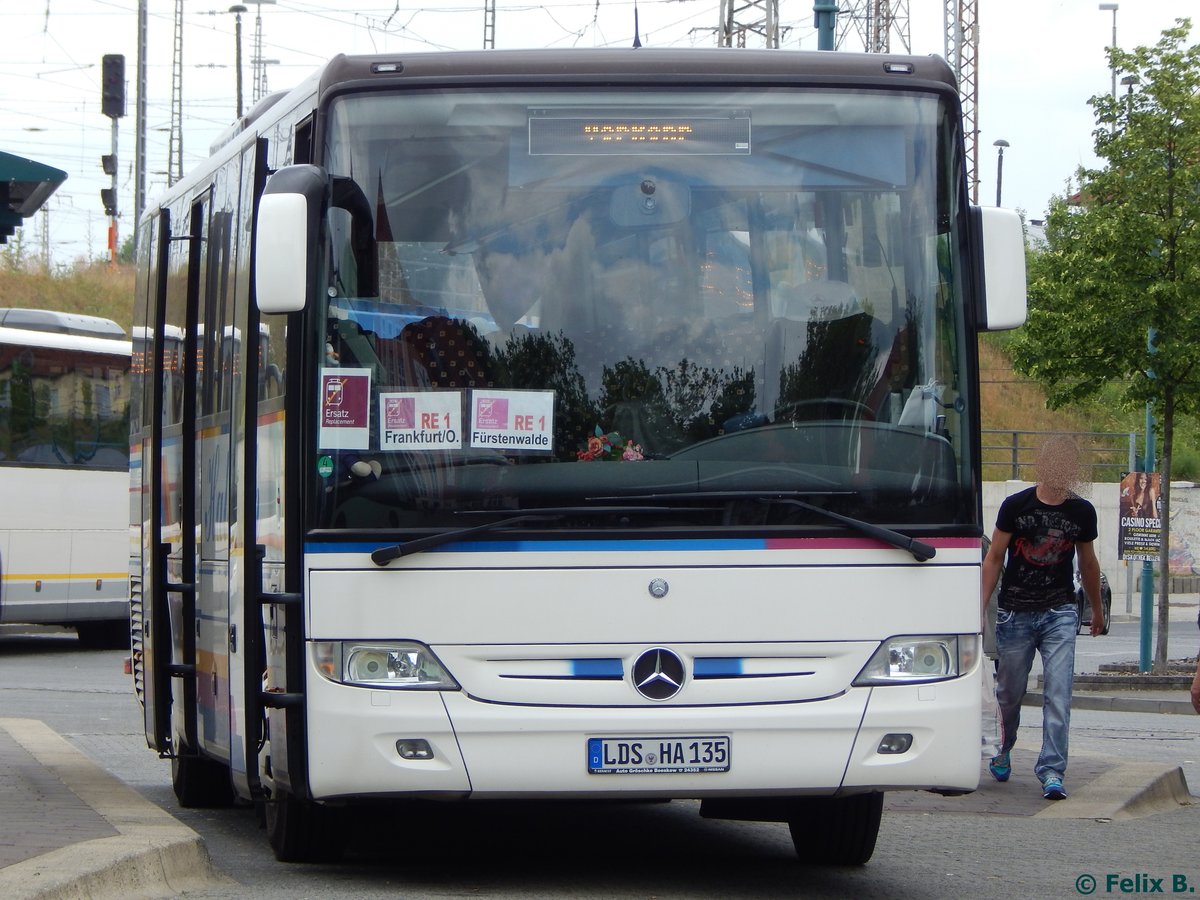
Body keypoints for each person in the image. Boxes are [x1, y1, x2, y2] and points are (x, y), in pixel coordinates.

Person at [980, 436, 1103, 801]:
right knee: (1009, 694)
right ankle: (1004, 747)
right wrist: (980, 608)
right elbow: (993, 558)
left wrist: (1095, 608)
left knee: (1059, 692)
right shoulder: (1016, 506)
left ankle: (1052, 770)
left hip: (1060, 611)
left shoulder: (1082, 512)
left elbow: (1088, 562)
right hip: (1016, 612)